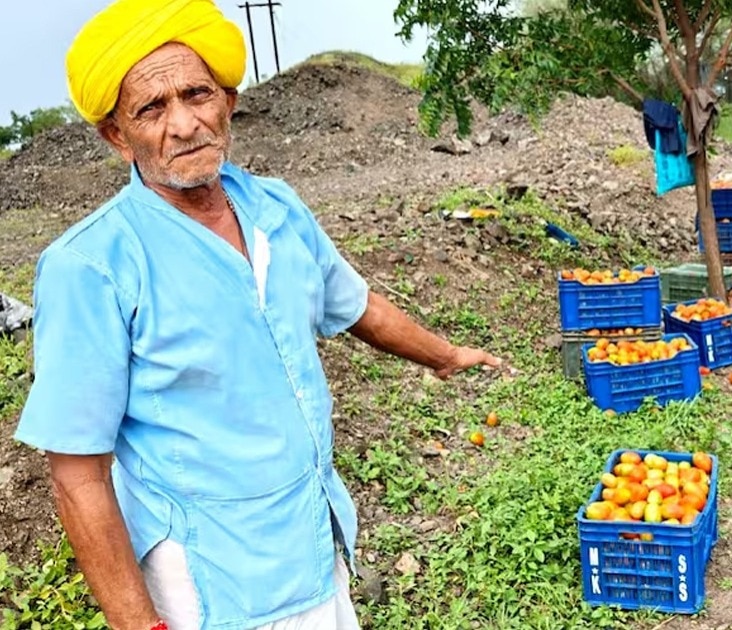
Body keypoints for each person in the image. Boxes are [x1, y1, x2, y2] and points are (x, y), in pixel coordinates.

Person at [12, 1, 502, 628]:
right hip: (210, 579)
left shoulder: (277, 207)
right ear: (116, 135)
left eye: (197, 93)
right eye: (152, 108)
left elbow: (353, 304)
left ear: (229, 100)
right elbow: (77, 473)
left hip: (311, 532)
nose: (185, 124)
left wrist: (446, 356)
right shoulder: (91, 265)